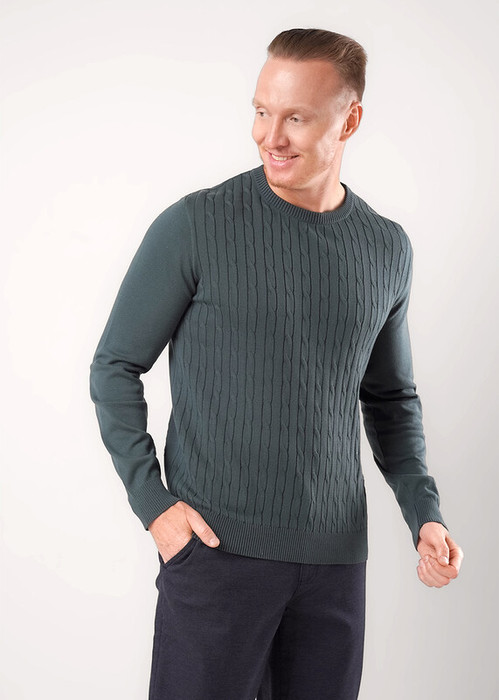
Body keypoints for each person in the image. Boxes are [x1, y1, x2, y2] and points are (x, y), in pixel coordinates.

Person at [90, 28, 463, 700]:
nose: (270, 136)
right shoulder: (196, 225)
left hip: (334, 567)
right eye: (261, 111)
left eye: (296, 117)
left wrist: (424, 515)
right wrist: (154, 506)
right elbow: (115, 365)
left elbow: (389, 400)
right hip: (214, 555)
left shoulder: (385, 248)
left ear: (349, 120)